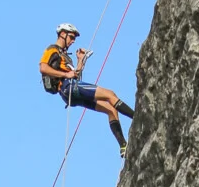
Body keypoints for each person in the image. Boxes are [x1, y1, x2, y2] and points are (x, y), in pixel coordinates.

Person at [39, 22, 136, 156]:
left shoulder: (65, 56)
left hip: (69, 92)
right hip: (68, 86)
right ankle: (137, 117)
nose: (73, 41)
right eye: (71, 37)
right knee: (110, 94)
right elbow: (43, 67)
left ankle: (123, 146)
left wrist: (80, 60)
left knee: (111, 109)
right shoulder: (52, 49)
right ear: (62, 34)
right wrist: (65, 74)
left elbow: (76, 74)